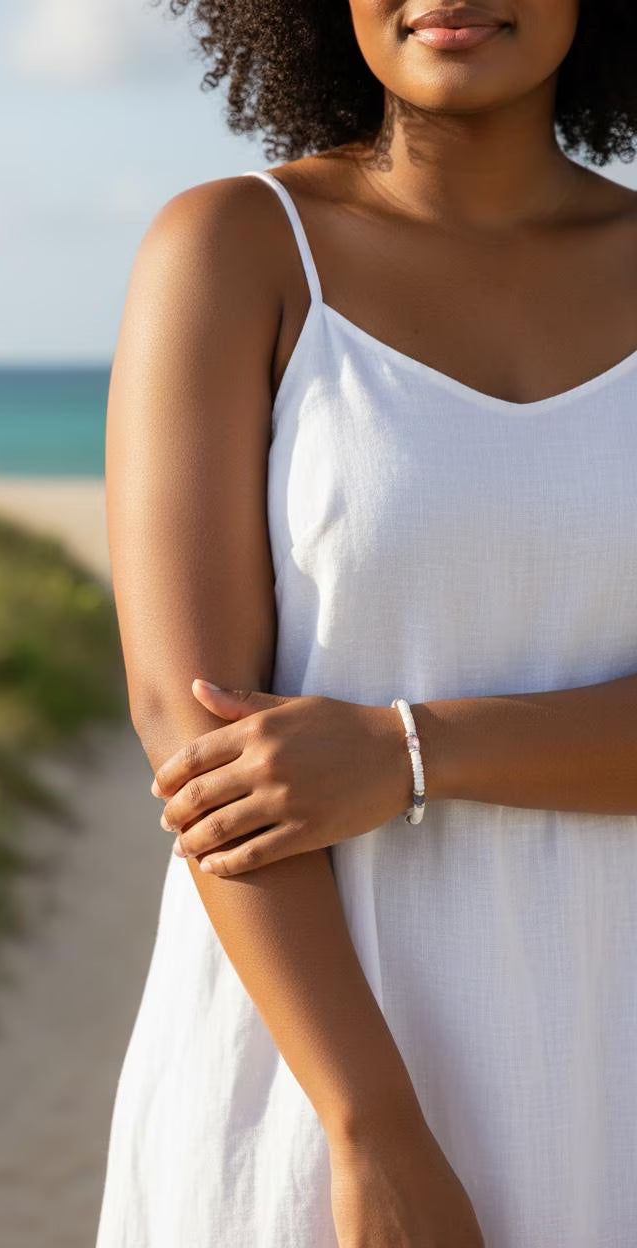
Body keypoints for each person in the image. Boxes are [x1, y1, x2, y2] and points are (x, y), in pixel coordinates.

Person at [96, 0, 637, 1243]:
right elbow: (194, 729)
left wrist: (404, 752)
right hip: (308, 1062)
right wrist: (369, 1127)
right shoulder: (233, 246)